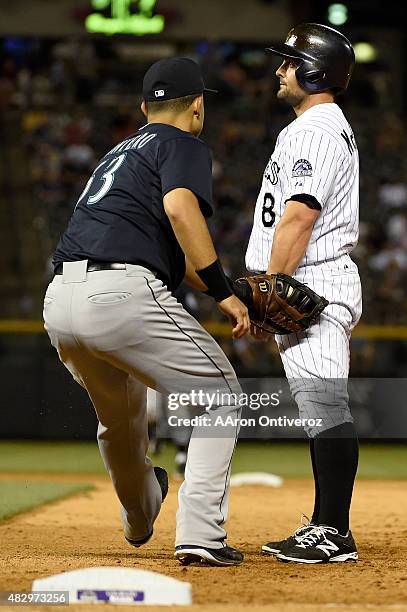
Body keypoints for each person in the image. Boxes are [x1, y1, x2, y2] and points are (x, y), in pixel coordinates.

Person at [43, 57, 250, 567]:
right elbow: (182, 211)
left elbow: (173, 257)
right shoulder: (181, 143)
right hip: (118, 295)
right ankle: (201, 534)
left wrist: (227, 289)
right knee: (222, 397)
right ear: (198, 106)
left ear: (144, 107)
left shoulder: (118, 153)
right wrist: (226, 294)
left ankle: (140, 517)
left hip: (61, 301)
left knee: (122, 422)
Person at [245, 23, 362, 563]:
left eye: (288, 62)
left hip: (311, 277)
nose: (279, 70)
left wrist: (273, 287)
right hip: (310, 276)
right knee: (322, 406)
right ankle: (326, 525)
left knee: (326, 406)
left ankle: (334, 531)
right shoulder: (319, 126)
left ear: (313, 71)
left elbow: (299, 215)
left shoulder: (314, 129)